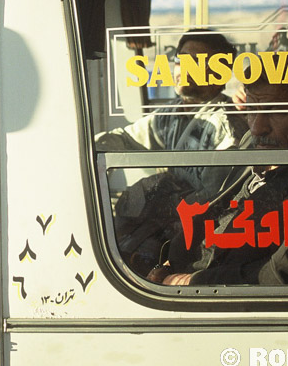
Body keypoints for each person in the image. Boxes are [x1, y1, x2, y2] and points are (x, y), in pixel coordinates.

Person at [148, 73, 288, 285]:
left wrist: (190, 282)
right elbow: (215, 211)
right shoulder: (256, 143)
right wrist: (169, 264)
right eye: (251, 109)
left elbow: (284, 275)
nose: (257, 128)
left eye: (274, 111)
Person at [96, 32, 248, 274]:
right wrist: (86, 150)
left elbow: (214, 201)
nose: (184, 69)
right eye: (181, 60)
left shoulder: (226, 125)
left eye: (197, 62)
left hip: (196, 244)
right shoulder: (171, 114)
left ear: (220, 73)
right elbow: (125, 139)